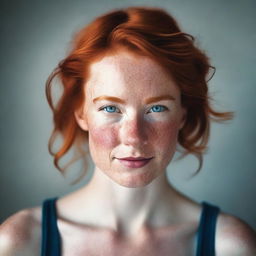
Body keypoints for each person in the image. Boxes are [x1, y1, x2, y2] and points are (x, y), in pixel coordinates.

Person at [0, 6, 255, 256]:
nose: (133, 136)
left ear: (182, 115)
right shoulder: (20, 242)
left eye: (156, 108)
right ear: (81, 113)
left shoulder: (230, 246)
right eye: (110, 108)